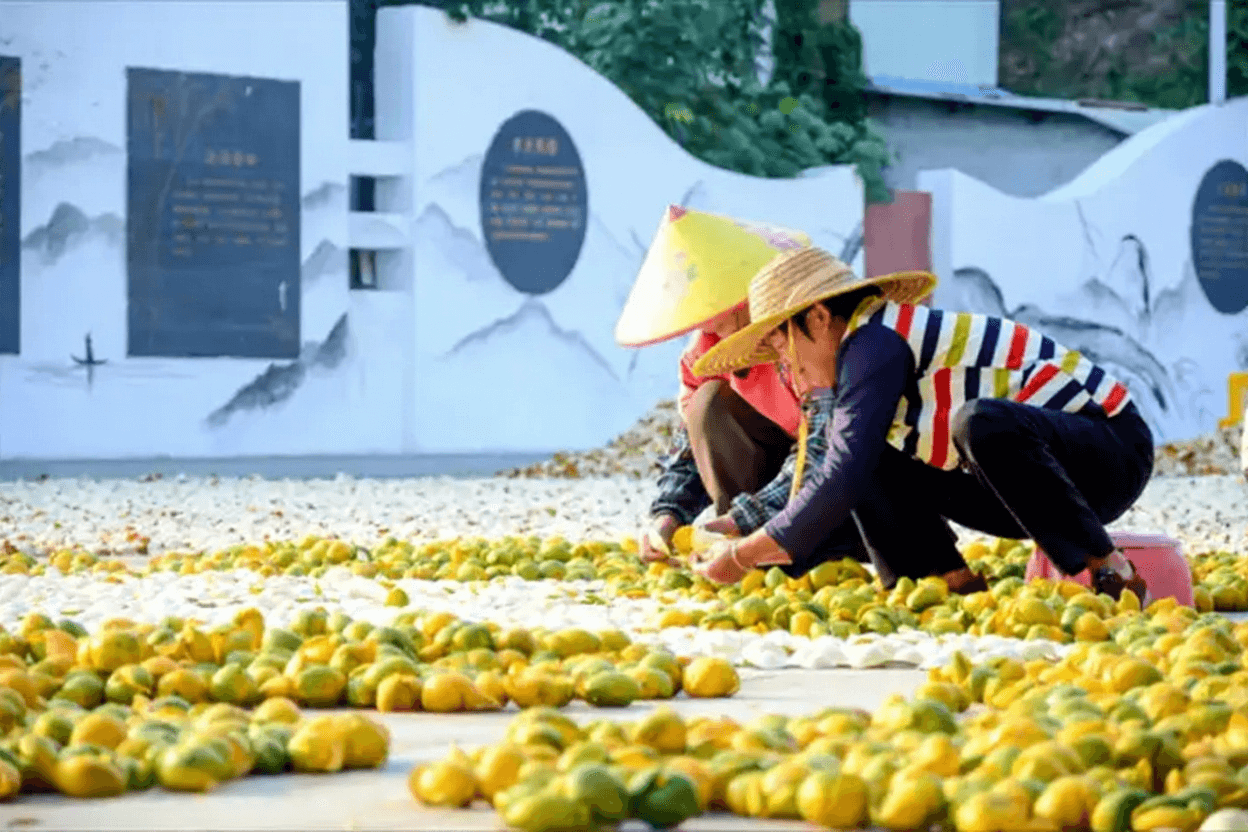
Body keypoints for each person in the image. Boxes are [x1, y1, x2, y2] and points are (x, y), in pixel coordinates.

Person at [689, 246, 1155, 601]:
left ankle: (1108, 568)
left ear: (818, 317)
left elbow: (840, 474)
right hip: (1018, 493)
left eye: (782, 348)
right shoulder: (856, 357)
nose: (788, 370)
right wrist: (739, 525)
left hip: (1109, 454)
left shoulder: (874, 343)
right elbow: (827, 466)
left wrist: (743, 556)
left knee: (982, 423)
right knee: (873, 458)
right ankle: (944, 584)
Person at [615, 206, 809, 561]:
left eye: (728, 316)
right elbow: (691, 446)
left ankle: (761, 539)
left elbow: (824, 451)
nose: (717, 333)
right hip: (760, 484)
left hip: (832, 482)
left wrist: (747, 518)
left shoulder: (807, 342)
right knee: (707, 403)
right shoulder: (704, 353)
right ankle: (745, 541)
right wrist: (667, 517)